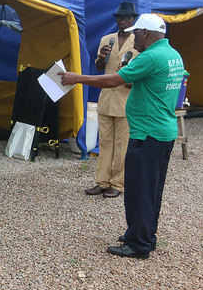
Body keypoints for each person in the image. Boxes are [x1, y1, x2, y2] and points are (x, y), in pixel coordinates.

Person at [60, 14, 185, 259]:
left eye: (136, 33)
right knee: (152, 189)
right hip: (163, 131)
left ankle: (138, 244)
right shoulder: (172, 55)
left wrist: (76, 78)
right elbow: (143, 83)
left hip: (146, 133)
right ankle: (146, 234)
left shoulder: (150, 56)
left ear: (145, 34)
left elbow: (114, 80)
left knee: (139, 190)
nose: (132, 36)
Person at [85, 2, 139, 198]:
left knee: (122, 145)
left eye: (127, 18)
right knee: (105, 142)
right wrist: (101, 57)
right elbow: (99, 68)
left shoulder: (139, 42)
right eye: (119, 18)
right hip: (106, 97)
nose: (122, 21)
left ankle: (118, 184)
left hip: (126, 100)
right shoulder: (106, 39)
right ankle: (102, 181)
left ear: (134, 20)